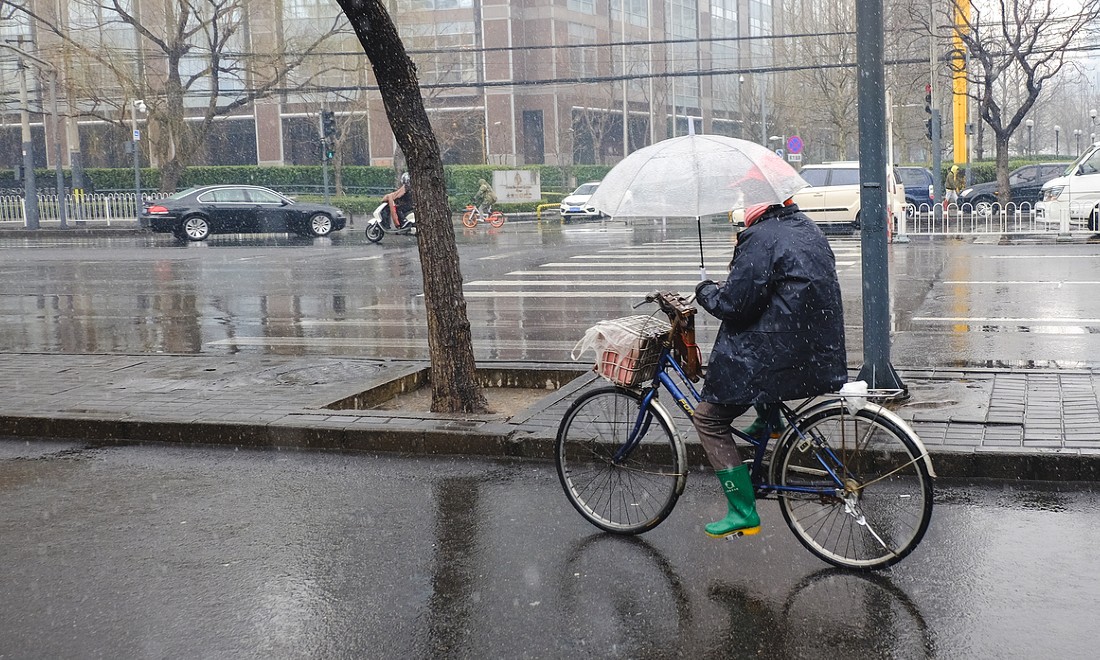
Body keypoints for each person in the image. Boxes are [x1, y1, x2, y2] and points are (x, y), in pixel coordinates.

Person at [692, 198, 848, 539]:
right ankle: (770, 420)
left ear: (755, 207)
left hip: (778, 356)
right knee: (757, 370)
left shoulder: (761, 237)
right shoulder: (806, 228)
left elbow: (734, 304)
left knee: (708, 418)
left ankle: (742, 511)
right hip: (813, 349)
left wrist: (705, 290)